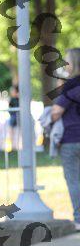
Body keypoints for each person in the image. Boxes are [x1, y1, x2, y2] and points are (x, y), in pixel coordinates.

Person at [51, 48, 80, 230]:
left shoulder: (71, 86)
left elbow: (56, 112)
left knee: (74, 179)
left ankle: (79, 218)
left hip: (71, 138)